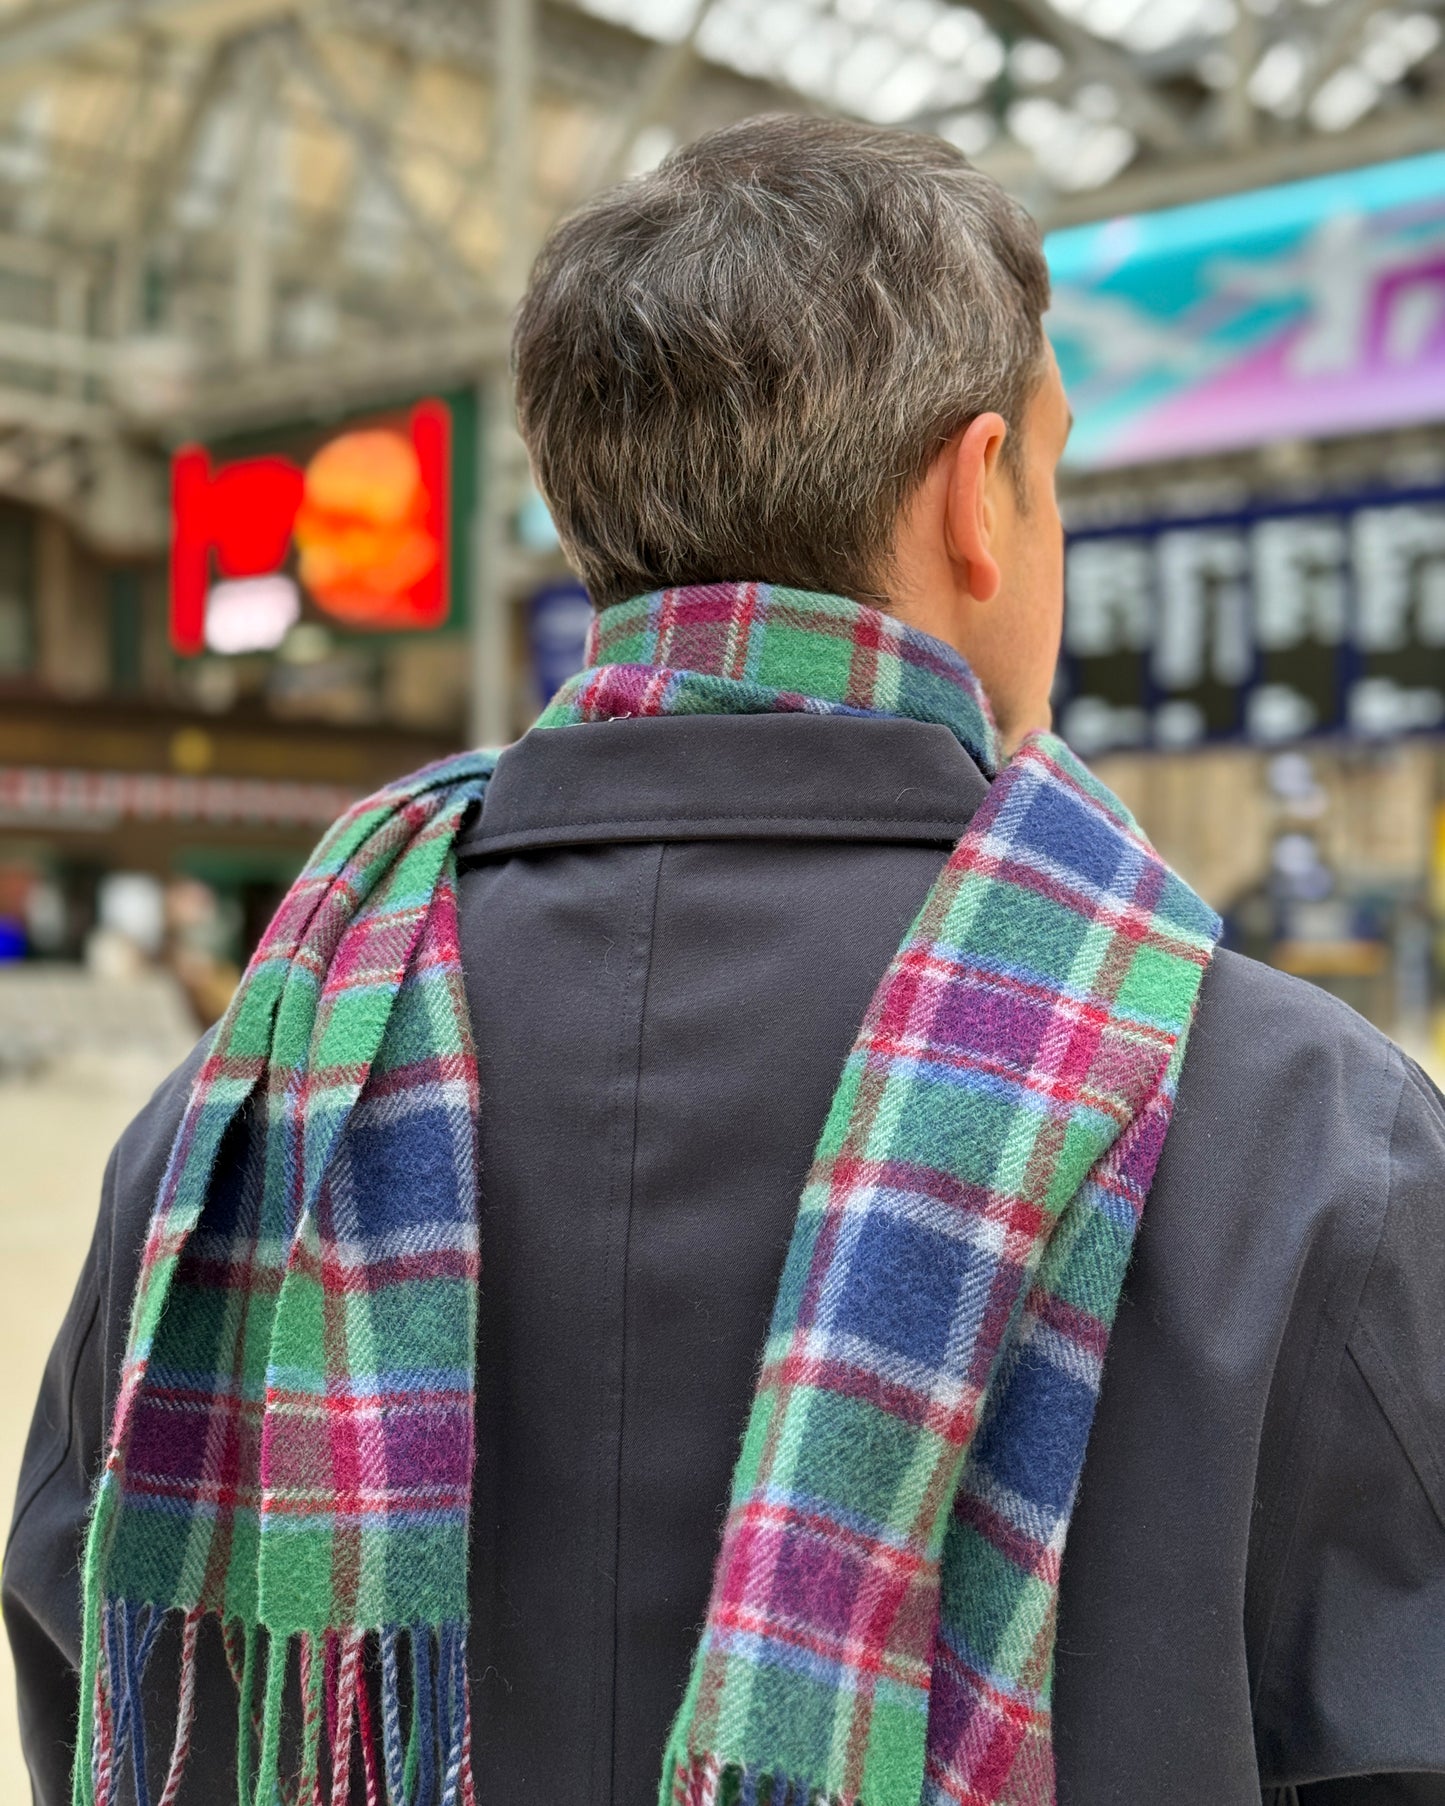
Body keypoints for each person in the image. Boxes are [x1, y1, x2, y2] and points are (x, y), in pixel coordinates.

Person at [7, 116, 1444, 1806]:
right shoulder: (1296, 1126)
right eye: (1050, 473)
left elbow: (103, 1669)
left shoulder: (237, 1123)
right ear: (973, 496)